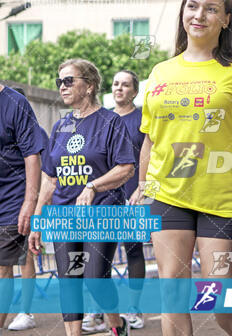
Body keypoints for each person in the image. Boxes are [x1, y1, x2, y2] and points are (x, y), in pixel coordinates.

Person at [129, 0, 232, 336]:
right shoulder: (161, 72)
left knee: (218, 300)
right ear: (183, 14)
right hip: (167, 197)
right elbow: (150, 139)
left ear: (225, 20)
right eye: (192, 6)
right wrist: (142, 188)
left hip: (223, 200)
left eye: (211, 9)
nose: (199, 15)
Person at [29, 58, 135, 336]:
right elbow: (51, 178)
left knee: (95, 279)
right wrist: (38, 217)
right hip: (64, 215)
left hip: (103, 211)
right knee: (69, 280)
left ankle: (117, 324)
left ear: (88, 86)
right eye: (59, 82)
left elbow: (126, 168)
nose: (61, 87)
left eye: (68, 81)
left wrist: (93, 186)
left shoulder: (110, 122)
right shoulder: (60, 126)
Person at [82, 70, 146, 333]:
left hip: (133, 195)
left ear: (134, 91)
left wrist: (142, 190)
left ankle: (133, 309)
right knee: (98, 256)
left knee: (133, 250)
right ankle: (99, 311)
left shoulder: (142, 118)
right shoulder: (100, 118)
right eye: (116, 84)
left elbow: (150, 157)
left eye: (126, 85)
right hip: (103, 198)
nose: (119, 88)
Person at [0, 84, 46, 336]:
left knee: (15, 261)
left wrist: (33, 204)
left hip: (15, 201)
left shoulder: (17, 106)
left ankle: (25, 310)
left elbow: (37, 159)